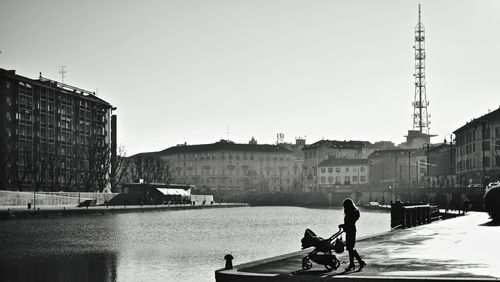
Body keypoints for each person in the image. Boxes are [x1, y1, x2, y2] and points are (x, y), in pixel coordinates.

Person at [338, 198, 366, 271]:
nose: (344, 208)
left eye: (345, 206)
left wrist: (343, 225)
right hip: (351, 230)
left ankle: (354, 264)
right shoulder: (355, 212)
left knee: (350, 248)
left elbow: (349, 223)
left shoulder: (350, 212)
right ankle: (357, 263)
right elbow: (350, 223)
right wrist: (344, 225)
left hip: (350, 231)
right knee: (350, 248)